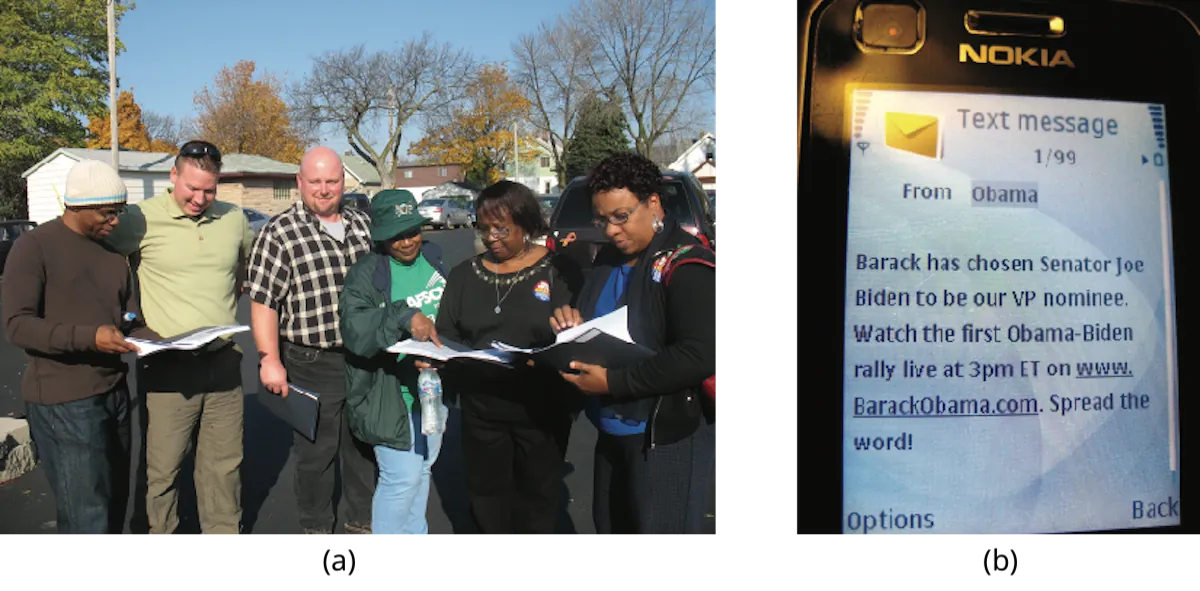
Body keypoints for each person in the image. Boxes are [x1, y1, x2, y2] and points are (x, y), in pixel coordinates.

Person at [549, 151, 720, 536]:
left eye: (621, 216)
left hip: (666, 434)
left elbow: (699, 354)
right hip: (611, 430)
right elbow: (603, 322)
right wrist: (574, 327)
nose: (610, 230)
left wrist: (613, 383)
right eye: (602, 219)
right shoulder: (609, 259)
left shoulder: (688, 264)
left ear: (654, 203)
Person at [104, 140, 254, 536]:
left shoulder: (234, 219)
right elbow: (101, 266)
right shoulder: (139, 219)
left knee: (223, 468)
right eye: (191, 188)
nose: (200, 198)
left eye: (210, 190)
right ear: (173, 177)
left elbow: (243, 268)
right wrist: (127, 321)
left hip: (223, 363)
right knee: (162, 470)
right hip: (168, 366)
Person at [1, 160, 156, 535]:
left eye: (118, 212)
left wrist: (160, 338)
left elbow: (128, 315)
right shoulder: (34, 247)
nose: (115, 221)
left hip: (114, 394)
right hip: (64, 401)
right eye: (107, 212)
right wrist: (91, 337)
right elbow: (16, 325)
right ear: (78, 206)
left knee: (114, 502)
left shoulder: (112, 255)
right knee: (87, 514)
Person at [428, 180, 584, 536]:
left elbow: (577, 334)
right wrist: (436, 355)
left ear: (525, 224)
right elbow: (448, 333)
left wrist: (571, 328)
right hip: (482, 411)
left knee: (538, 500)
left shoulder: (559, 270)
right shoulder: (464, 275)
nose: (492, 238)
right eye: (484, 229)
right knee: (486, 499)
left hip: (541, 410)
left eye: (501, 229)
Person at [243, 146, 377, 536]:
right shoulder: (279, 233)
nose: (323, 189)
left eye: (331, 180)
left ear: (343, 182)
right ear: (299, 183)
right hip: (310, 360)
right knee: (315, 453)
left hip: (365, 359)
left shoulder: (362, 226)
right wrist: (269, 359)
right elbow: (264, 302)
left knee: (362, 446)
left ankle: (361, 520)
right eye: (314, 181)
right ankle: (316, 526)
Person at [339, 189, 450, 536]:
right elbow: (355, 330)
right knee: (400, 479)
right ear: (380, 236)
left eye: (412, 231)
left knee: (423, 471)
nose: (407, 242)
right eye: (396, 235)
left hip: (432, 392)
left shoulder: (435, 259)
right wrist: (403, 315)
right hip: (389, 396)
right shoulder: (367, 272)